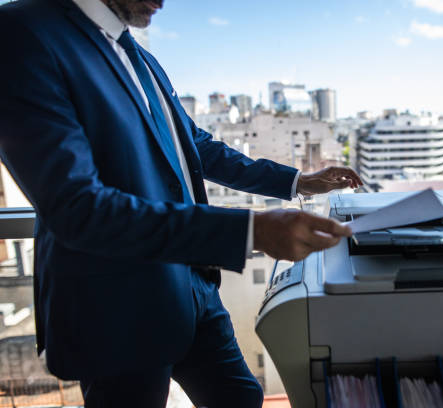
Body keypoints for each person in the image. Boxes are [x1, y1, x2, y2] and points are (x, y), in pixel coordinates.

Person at [0, 0, 363, 406]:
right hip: (119, 304)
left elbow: (198, 148)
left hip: (193, 287)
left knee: (242, 397)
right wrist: (251, 230)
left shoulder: (141, 57)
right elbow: (76, 207)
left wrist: (296, 180)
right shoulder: (23, 33)